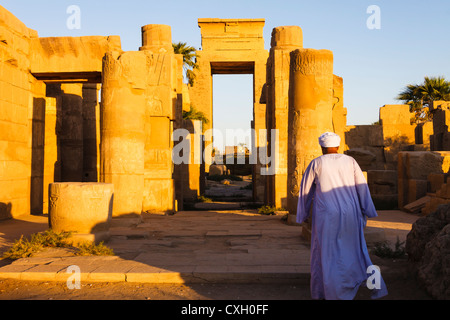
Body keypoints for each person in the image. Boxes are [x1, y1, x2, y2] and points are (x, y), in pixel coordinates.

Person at [296, 132, 388, 300]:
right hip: (350, 212)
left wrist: (302, 214)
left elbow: (305, 191)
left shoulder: (316, 163)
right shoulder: (350, 161)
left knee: (326, 253)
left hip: (326, 214)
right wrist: (368, 210)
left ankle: (328, 292)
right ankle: (375, 287)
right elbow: (362, 186)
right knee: (357, 250)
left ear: (322, 147)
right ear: (338, 146)